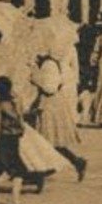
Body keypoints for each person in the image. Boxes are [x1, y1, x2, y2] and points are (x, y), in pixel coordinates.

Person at [29, 51, 88, 180]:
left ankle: (43, 171)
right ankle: (76, 162)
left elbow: (50, 87)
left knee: (47, 141)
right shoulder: (48, 64)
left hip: (51, 106)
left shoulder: (49, 65)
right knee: (50, 142)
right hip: (49, 105)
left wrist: (35, 78)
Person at [0, 76, 33, 204]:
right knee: (16, 170)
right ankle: (13, 200)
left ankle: (13, 199)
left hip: (7, 139)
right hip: (6, 140)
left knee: (2, 169)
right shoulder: (8, 105)